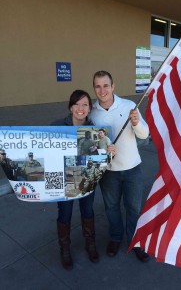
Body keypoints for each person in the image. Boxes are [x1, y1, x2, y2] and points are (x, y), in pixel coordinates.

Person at [51, 89, 115, 270]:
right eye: (77, 104)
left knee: (87, 211)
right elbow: (40, 148)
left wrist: (109, 151)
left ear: (89, 108)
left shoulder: (96, 131)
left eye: (85, 104)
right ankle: (64, 248)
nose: (80, 108)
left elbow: (102, 153)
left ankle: (90, 243)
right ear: (71, 107)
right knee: (64, 214)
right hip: (63, 180)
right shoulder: (56, 127)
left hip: (86, 178)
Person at [90, 70, 150, 262]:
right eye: (98, 86)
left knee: (133, 208)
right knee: (111, 208)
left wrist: (137, 123)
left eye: (106, 85)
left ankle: (135, 241)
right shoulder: (91, 111)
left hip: (132, 168)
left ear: (113, 86)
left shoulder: (130, 106)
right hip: (108, 172)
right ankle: (115, 238)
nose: (102, 90)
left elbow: (144, 135)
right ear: (94, 89)